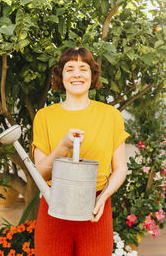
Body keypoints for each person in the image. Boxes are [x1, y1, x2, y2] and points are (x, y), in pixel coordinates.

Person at [32, 47, 130, 256]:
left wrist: (103, 198)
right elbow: (40, 173)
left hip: (96, 208)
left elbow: (120, 167)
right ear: (61, 76)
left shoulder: (110, 115)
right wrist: (64, 146)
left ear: (92, 75)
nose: (77, 74)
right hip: (54, 207)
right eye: (70, 69)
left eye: (83, 68)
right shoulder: (45, 116)